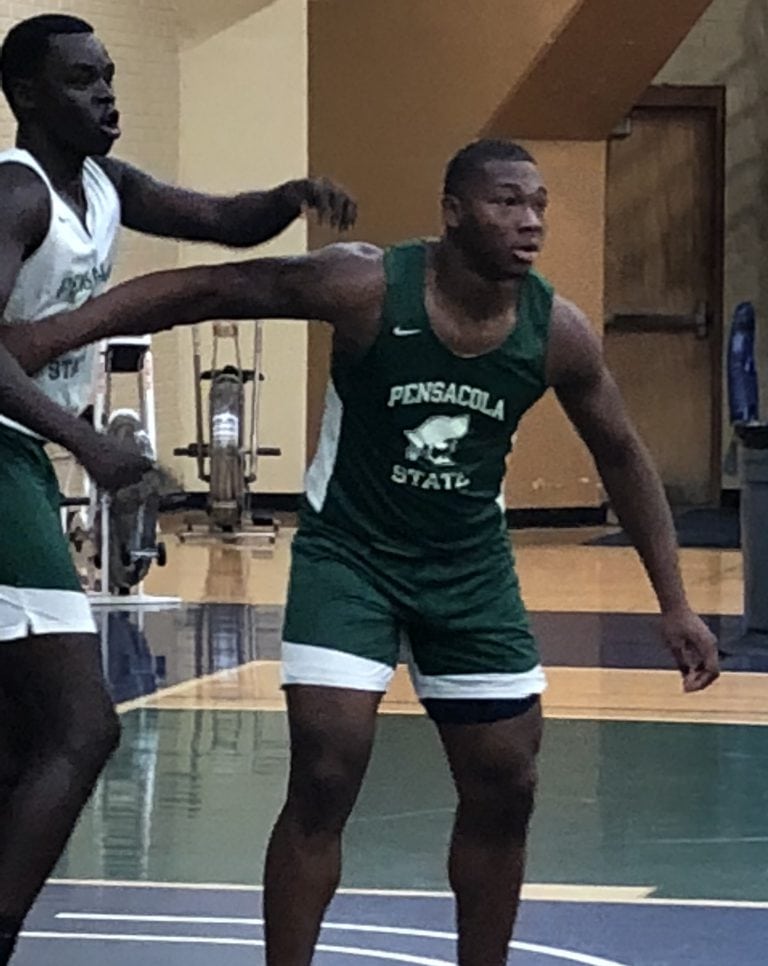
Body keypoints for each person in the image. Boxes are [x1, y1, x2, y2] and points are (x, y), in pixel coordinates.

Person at [1, 138, 720, 966]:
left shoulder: (557, 331)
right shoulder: (365, 285)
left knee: (507, 785)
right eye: (506, 204)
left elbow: (623, 456)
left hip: (469, 570)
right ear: (453, 212)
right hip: (352, 560)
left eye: (538, 206)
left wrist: (673, 601)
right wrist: (56, 333)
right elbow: (209, 287)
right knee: (327, 771)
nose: (529, 224)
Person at [0, 12, 355, 963]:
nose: (108, 95)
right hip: (1, 464)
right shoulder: (18, 196)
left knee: (20, 743)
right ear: (28, 96)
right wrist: (91, 443)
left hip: (23, 461)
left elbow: (221, 220)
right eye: (83, 81)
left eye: (111, 76)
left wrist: (288, 193)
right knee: (81, 731)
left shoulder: (106, 186)